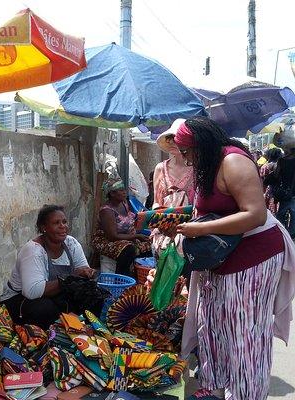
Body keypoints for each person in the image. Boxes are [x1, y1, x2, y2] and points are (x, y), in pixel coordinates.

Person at [165, 116, 294, 400]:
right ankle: (215, 386)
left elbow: (255, 214)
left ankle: (246, 394)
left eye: (187, 152)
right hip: (220, 256)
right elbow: (211, 210)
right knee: (212, 324)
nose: (185, 159)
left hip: (254, 256)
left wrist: (200, 228)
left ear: (202, 145)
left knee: (244, 332)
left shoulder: (233, 162)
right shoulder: (207, 165)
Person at [0, 205, 95, 330]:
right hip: (19, 300)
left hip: (53, 294)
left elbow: (83, 272)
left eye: (64, 222)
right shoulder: (33, 251)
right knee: (44, 309)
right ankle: (55, 336)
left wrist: (87, 274)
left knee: (92, 295)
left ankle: (83, 331)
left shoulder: (71, 243)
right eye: (56, 223)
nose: (63, 226)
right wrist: (71, 278)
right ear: (43, 227)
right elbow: (32, 292)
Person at [151, 118, 194, 255]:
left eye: (179, 139)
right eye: (171, 139)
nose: (174, 142)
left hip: (190, 232)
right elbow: (156, 202)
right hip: (164, 232)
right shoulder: (160, 168)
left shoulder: (198, 169)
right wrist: (159, 215)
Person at [92, 178, 152, 276]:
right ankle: (121, 276)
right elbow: (112, 236)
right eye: (121, 191)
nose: (125, 192)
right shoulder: (106, 211)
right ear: (112, 194)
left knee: (148, 244)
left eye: (124, 190)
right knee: (128, 249)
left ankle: (141, 275)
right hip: (105, 240)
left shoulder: (123, 203)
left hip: (124, 237)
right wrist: (136, 236)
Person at [273, 147, 295, 237]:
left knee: (281, 213)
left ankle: (281, 232)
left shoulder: (282, 160)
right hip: (293, 193)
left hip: (284, 191)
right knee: (294, 214)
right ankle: (291, 234)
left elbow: (276, 175)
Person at [260, 147, 283, 214]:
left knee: (269, 211)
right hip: (280, 192)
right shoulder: (282, 166)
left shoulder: (265, 167)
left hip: (269, 191)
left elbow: (262, 181)